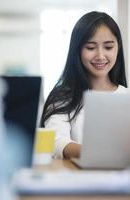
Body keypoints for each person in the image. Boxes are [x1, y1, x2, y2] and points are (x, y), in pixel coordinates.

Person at [40, 11, 127, 159]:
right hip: (75, 179)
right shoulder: (62, 98)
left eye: (108, 47)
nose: (100, 56)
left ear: (118, 49)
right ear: (77, 50)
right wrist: (100, 153)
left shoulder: (126, 96)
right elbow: (55, 142)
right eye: (91, 48)